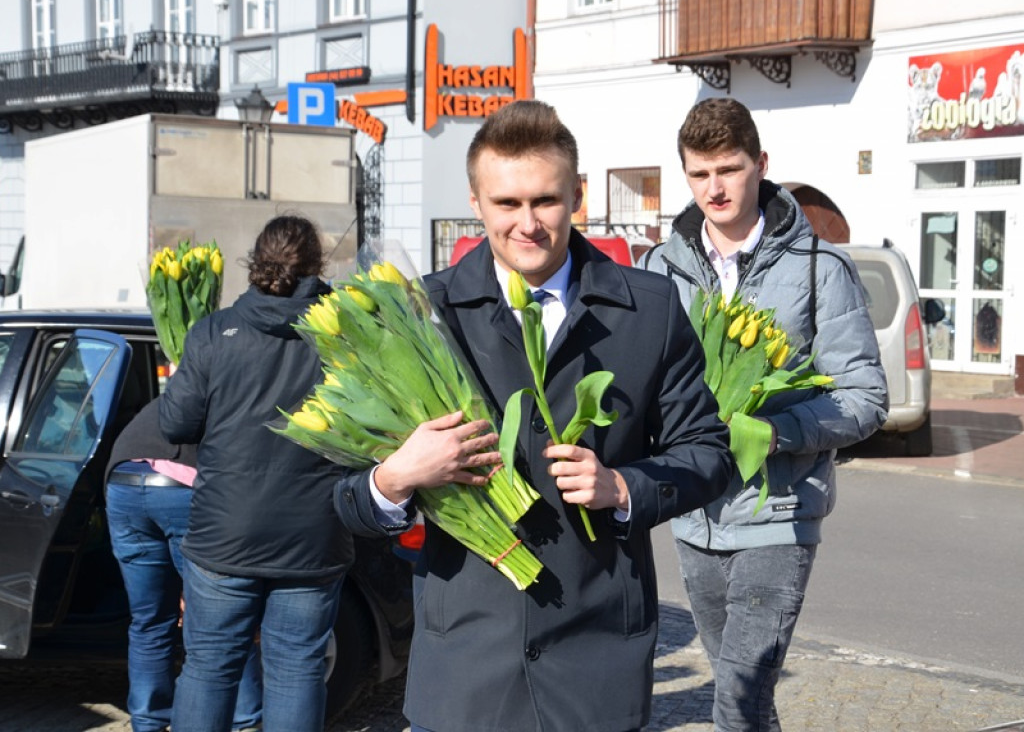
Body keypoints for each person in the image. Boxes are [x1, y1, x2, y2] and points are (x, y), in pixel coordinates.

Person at [332, 99, 735, 732]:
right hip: (466, 665)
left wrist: (624, 486)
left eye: (545, 201)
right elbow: (346, 501)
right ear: (476, 201)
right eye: (507, 204)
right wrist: (397, 476)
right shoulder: (418, 316)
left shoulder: (649, 309)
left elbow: (710, 453)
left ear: (576, 195)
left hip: (595, 660)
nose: (529, 224)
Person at [643, 97, 888, 731]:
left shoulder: (818, 269)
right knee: (743, 695)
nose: (715, 188)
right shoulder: (657, 270)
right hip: (693, 516)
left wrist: (777, 432)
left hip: (779, 515)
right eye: (699, 174)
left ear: (761, 165)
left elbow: (864, 398)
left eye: (729, 168)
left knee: (736, 701)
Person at [160, 215, 353, 732]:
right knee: (296, 671)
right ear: (316, 267)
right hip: (313, 535)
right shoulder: (344, 339)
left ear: (254, 264)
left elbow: (175, 422)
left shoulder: (212, 332)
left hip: (226, 533)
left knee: (209, 669)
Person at [105, 398, 263, 732]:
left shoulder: (181, 391)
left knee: (150, 620)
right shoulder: (238, 399)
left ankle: (147, 723)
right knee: (222, 618)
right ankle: (244, 722)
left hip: (123, 482)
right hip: (183, 487)